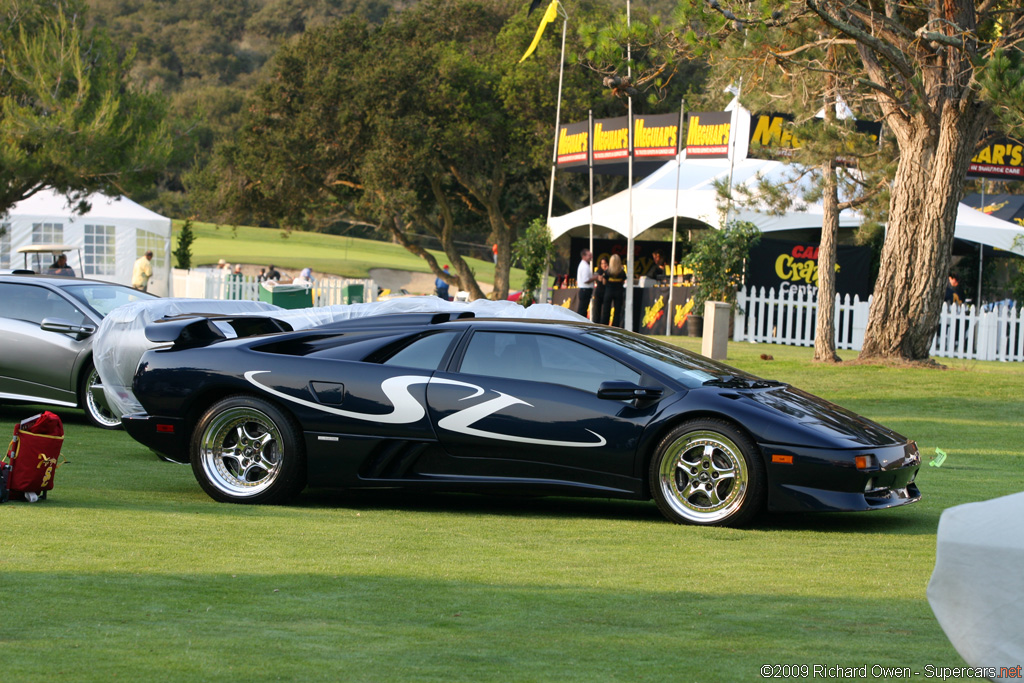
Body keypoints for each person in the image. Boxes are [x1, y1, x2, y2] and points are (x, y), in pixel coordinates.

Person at [601, 254, 626, 327]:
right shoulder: (622, 272)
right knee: (617, 312)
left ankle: (604, 326)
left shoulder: (607, 272)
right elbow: (624, 281)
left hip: (609, 292)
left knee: (606, 311)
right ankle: (615, 326)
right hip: (619, 292)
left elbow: (604, 282)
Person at [576, 249, 597, 318]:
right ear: (584, 256)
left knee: (583, 310)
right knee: (582, 310)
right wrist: (595, 277)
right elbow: (585, 280)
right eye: (589, 255)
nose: (591, 257)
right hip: (585, 290)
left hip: (585, 290)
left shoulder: (585, 265)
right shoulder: (584, 266)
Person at [592, 256, 609, 325]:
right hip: (599, 292)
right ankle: (595, 324)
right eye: (602, 263)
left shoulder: (609, 271)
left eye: (605, 263)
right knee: (596, 311)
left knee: (606, 311)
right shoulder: (599, 271)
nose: (604, 265)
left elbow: (605, 281)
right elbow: (597, 277)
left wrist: (606, 273)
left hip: (607, 293)